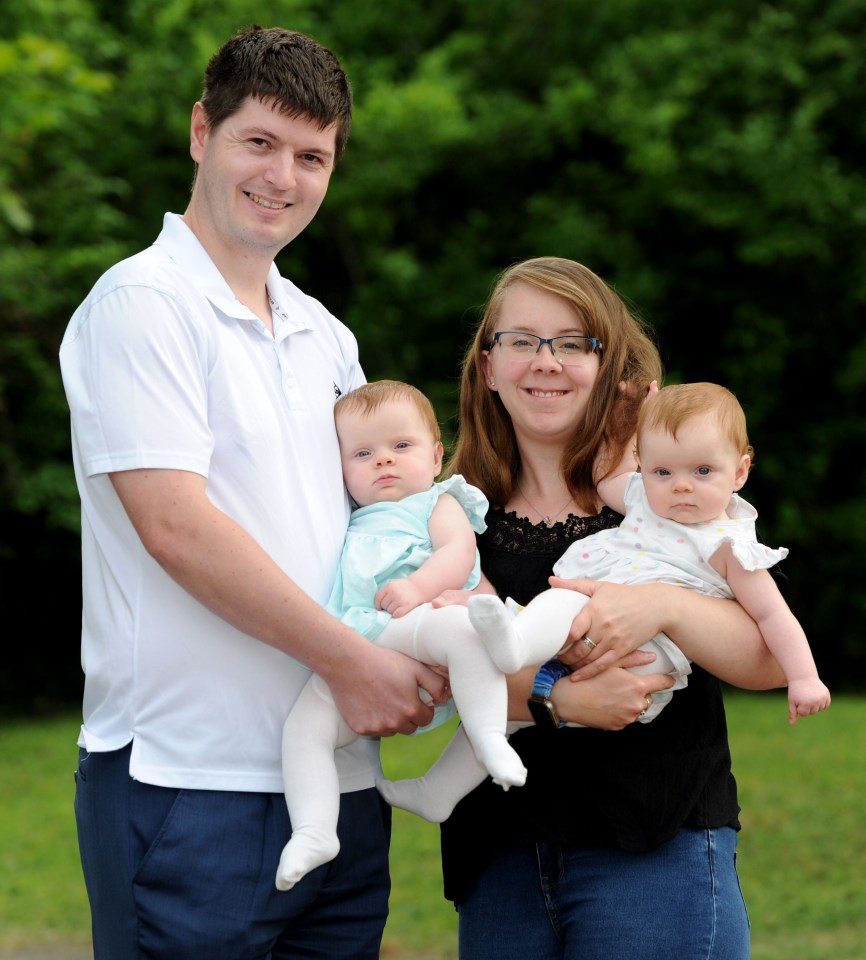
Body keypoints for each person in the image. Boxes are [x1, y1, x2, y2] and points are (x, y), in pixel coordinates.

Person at [58, 26, 448, 960]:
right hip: (187, 782)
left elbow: (384, 523)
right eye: (259, 142)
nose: (284, 177)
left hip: (339, 785)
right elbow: (178, 529)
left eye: (312, 156)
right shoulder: (140, 306)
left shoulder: (327, 336)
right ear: (202, 132)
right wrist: (357, 666)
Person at [436, 256, 786, 960]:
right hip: (499, 852)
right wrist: (554, 698)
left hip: (652, 852)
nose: (547, 362)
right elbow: (422, 667)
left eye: (574, 342)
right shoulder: (452, 514)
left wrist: (658, 605)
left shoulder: (669, 495)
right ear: (487, 363)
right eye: (522, 340)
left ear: (608, 364)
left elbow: (770, 655)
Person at [277, 380, 691, 887]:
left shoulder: (436, 501)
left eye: (400, 447)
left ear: (435, 457)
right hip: (365, 645)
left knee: (464, 629)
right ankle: (316, 829)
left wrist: (416, 586)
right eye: (363, 453)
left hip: (422, 619)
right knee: (305, 728)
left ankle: (491, 736)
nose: (383, 461)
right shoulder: (348, 517)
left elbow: (459, 554)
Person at [555, 381, 830, 725]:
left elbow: (773, 616)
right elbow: (605, 476)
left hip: (649, 645)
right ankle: (519, 651)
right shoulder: (644, 497)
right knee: (554, 611)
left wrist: (804, 678)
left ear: (739, 472)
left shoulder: (730, 547)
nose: (680, 485)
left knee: (628, 666)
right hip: (585, 606)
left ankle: (552, 690)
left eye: (702, 471)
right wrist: (628, 424)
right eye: (663, 471)